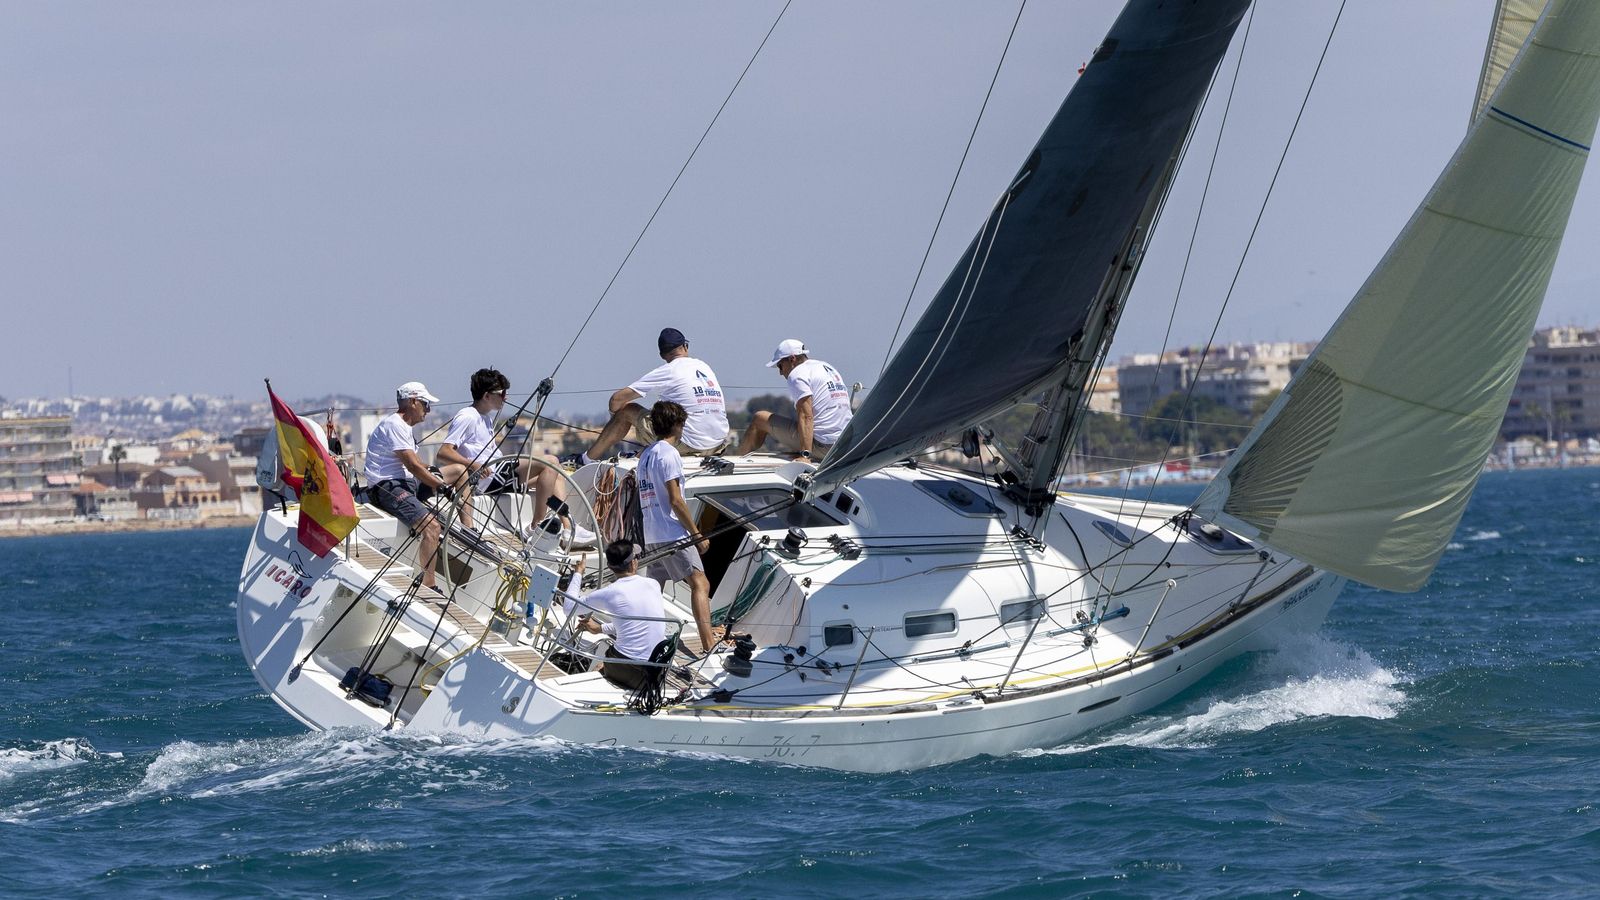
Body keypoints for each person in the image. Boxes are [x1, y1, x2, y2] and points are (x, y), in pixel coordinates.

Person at [434, 367, 590, 543]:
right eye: (502, 393)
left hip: (498, 475)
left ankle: (568, 526)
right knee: (551, 461)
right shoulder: (467, 416)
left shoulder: (484, 417)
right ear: (486, 396)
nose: (505, 397)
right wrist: (474, 465)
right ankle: (535, 527)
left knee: (556, 474)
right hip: (491, 478)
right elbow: (444, 451)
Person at [572, 327, 730, 463]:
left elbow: (617, 399)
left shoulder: (668, 370)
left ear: (662, 355)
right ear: (685, 347)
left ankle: (587, 460)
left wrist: (616, 419)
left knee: (628, 410)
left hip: (689, 444)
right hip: (718, 443)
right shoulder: (704, 366)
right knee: (664, 414)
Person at [635, 400, 719, 650]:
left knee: (653, 591)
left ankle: (642, 639)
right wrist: (696, 534)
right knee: (700, 583)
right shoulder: (669, 454)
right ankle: (709, 645)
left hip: (651, 534)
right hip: (672, 532)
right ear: (678, 425)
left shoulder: (646, 455)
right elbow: (675, 500)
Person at [363, 381, 451, 592]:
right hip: (387, 488)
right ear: (412, 402)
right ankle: (429, 585)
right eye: (425, 404)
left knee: (458, 472)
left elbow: (417, 462)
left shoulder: (404, 428)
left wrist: (432, 470)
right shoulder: (395, 425)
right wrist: (440, 487)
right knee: (432, 527)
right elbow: (411, 465)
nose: (428, 410)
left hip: (404, 484)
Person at [734, 339, 853, 461]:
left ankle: (736, 462)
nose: (780, 372)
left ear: (792, 359)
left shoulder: (797, 374)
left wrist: (805, 456)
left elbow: (806, 416)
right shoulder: (826, 367)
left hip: (825, 448)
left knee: (760, 418)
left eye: (780, 366)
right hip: (848, 444)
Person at [576, 540, 670, 692]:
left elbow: (568, 608)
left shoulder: (609, 592)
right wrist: (600, 629)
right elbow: (634, 622)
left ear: (610, 567)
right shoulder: (654, 584)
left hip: (622, 669)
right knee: (611, 657)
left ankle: (600, 673)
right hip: (653, 673)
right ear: (633, 563)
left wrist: (578, 572)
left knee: (603, 662)